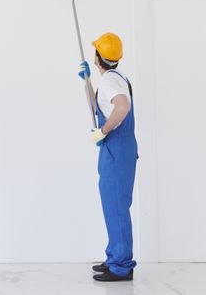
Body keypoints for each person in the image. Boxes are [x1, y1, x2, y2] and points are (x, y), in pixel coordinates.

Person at [78, 32, 138, 282]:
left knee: (116, 208)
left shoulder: (112, 83)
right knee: (113, 207)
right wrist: (88, 82)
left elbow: (122, 106)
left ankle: (122, 266)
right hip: (116, 150)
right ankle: (115, 257)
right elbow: (96, 106)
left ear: (97, 57)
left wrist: (103, 131)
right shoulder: (115, 78)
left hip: (117, 151)